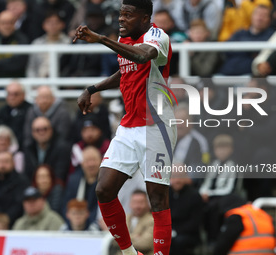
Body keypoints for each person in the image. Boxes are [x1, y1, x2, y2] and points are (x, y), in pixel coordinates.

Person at [74, 0, 177, 254]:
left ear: (144, 18)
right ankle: (130, 253)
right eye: (120, 13)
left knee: (157, 199)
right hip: (130, 124)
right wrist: (93, 88)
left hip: (157, 127)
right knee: (104, 189)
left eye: (128, 15)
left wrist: (101, 39)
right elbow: (125, 70)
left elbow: (142, 56)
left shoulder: (157, 37)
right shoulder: (126, 40)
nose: (121, 19)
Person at [199, 134, 238, 244]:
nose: (221, 152)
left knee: (213, 207)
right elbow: (207, 182)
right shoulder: (214, 164)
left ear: (231, 149)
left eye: (225, 148)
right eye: (219, 148)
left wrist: (210, 194)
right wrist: (203, 193)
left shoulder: (232, 165)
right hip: (210, 196)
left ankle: (214, 238)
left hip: (225, 197)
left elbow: (229, 188)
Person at [218, 5, 275, 75]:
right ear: (252, 16)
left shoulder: (272, 35)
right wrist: (250, 51)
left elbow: (263, 52)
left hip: (249, 77)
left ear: (269, 20)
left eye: (264, 15)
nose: (260, 18)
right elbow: (226, 50)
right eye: (257, 14)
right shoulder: (240, 33)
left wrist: (238, 47)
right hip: (225, 73)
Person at [0, 10, 29, 78]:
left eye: (10, 23)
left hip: (16, 80)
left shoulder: (22, 40)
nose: (7, 26)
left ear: (15, 24)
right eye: (3, 23)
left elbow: (18, 64)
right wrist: (9, 62)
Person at [24, 117, 72, 181]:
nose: (41, 133)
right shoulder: (28, 148)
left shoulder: (62, 148)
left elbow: (61, 174)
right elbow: (27, 174)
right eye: (37, 130)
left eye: (45, 129)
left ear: (51, 130)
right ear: (33, 133)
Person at [62, 146, 100, 227]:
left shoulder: (106, 182)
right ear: (82, 164)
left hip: (98, 224)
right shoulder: (73, 180)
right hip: (74, 225)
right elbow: (66, 205)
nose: (91, 164)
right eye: (87, 161)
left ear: (100, 161)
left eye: (94, 160)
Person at [169, 169, 203, 255]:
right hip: (168, 231)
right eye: (174, 177)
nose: (177, 180)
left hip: (188, 234)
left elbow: (195, 222)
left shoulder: (194, 195)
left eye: (180, 176)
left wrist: (175, 231)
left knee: (178, 242)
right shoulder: (166, 193)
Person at [27, 12, 70, 78]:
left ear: (62, 24)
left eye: (56, 22)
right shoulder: (37, 43)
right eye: (49, 22)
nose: (53, 26)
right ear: (44, 25)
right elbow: (31, 67)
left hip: (61, 81)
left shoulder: (69, 43)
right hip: (39, 81)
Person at [0, 81, 32, 149]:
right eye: (9, 94)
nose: (12, 97)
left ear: (23, 95)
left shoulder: (31, 111)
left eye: (15, 94)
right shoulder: (2, 112)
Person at [125, 190, 154, 255]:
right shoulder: (124, 218)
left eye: (141, 202)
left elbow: (145, 244)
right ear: (130, 203)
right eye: (135, 202)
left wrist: (123, 239)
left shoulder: (152, 220)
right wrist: (135, 237)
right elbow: (113, 240)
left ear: (147, 203)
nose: (137, 206)